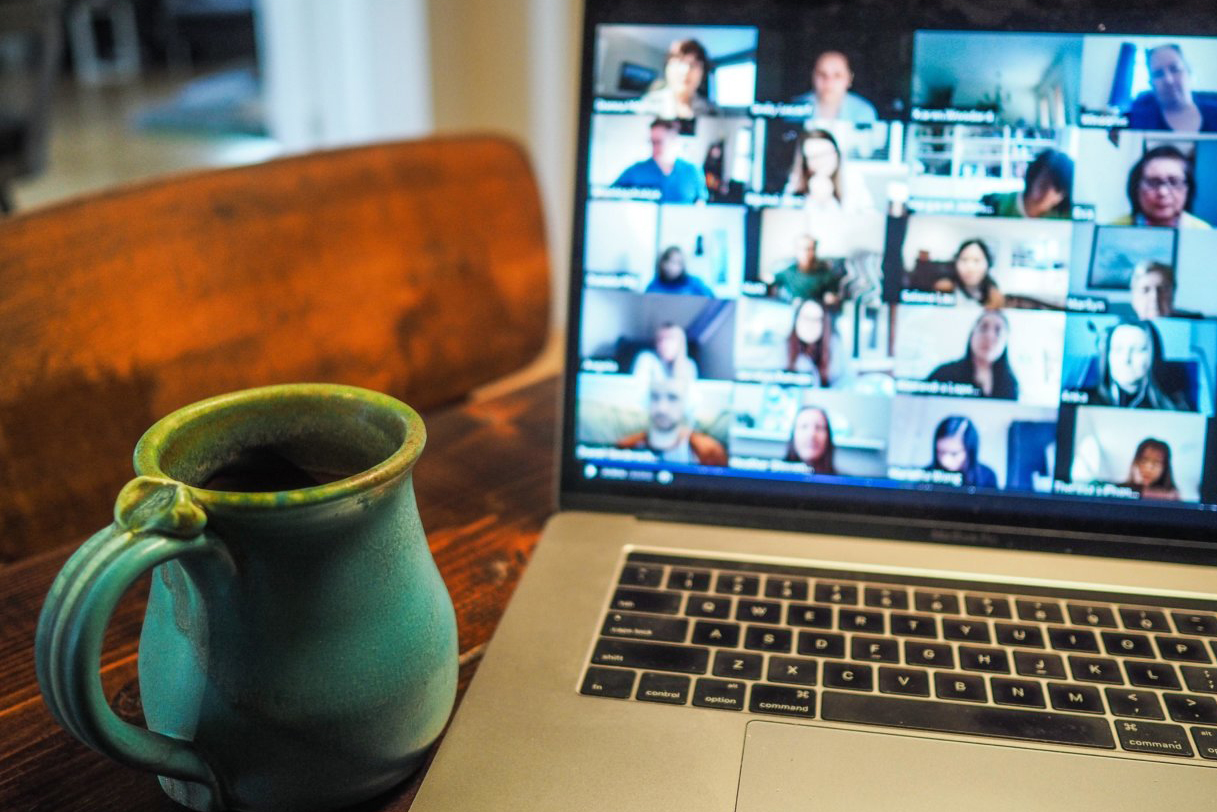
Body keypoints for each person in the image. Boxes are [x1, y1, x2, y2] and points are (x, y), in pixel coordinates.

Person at [614, 374, 727, 465]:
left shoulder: (710, 452)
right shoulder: (627, 446)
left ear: (687, 404)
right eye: (655, 397)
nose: (662, 408)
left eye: (672, 398)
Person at [1082, 319, 1194, 410]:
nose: (1126, 359)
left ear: (1153, 356)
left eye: (1138, 350)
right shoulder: (1084, 399)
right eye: (1118, 349)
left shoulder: (1175, 407)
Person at [1110, 145, 1211, 229]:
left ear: (1187, 189)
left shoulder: (1203, 233)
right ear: (1136, 188)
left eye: (1174, 182)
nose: (1163, 192)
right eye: (1153, 182)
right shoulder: (1114, 229)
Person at [927, 310, 1020, 400]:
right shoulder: (943, 374)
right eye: (983, 328)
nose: (989, 336)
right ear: (972, 334)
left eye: (998, 331)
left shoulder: (1010, 384)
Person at [1126, 45, 1217, 133]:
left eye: (1175, 69)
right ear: (1151, 83)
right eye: (1158, 73)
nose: (1168, 80)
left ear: (1189, 72)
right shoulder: (1137, 121)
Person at [613, 118, 708, 203]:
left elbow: (700, 205)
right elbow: (610, 196)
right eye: (652, 142)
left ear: (673, 139)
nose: (654, 147)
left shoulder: (692, 171)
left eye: (659, 142)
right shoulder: (635, 171)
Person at [790, 50, 878, 124]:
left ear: (849, 79)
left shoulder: (863, 111)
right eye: (822, 74)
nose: (828, 82)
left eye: (837, 75)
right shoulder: (793, 108)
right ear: (813, 76)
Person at [981, 149, 1074, 218]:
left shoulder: (1065, 218)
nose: (1048, 193)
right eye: (1044, 183)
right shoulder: (997, 204)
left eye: (1057, 189)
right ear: (1033, 177)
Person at [637, 38, 716, 120]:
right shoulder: (646, 106)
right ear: (667, 67)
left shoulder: (711, 111)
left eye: (693, 64)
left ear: (703, 73)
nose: (686, 70)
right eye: (680, 62)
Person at [769, 234, 844, 304]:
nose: (806, 253)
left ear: (815, 250)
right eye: (802, 249)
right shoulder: (788, 272)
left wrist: (830, 297)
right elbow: (769, 279)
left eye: (810, 249)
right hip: (791, 308)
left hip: (815, 311)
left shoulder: (825, 274)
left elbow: (833, 293)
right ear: (796, 251)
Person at [927, 416, 997, 489]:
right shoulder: (926, 475)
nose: (945, 461)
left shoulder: (987, 476)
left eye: (954, 453)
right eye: (940, 452)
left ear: (969, 451)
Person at [933, 239, 1004, 308]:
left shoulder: (994, 295)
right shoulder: (944, 287)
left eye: (976, 260)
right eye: (964, 260)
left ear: (988, 264)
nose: (970, 267)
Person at [785, 298, 836, 385]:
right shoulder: (783, 349)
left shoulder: (834, 348)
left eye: (816, 320)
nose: (810, 325)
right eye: (806, 318)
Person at [1128, 260, 1198, 320]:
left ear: (1173, 294)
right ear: (1134, 298)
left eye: (1162, 289)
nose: (1155, 297)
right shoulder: (1123, 331)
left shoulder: (1194, 326)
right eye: (1145, 290)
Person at [631, 322, 699, 382]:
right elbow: (639, 388)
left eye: (670, 338)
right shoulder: (646, 359)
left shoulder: (689, 365)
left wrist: (678, 364)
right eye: (660, 339)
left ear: (681, 343)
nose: (664, 344)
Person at [784, 406, 836, 474]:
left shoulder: (844, 482)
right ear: (793, 434)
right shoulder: (772, 476)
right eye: (804, 426)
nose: (811, 434)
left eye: (819, 427)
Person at [645, 246, 713, 296]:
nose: (672, 266)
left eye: (677, 262)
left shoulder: (695, 283)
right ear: (662, 264)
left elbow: (713, 301)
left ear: (682, 265)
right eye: (669, 261)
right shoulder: (654, 285)